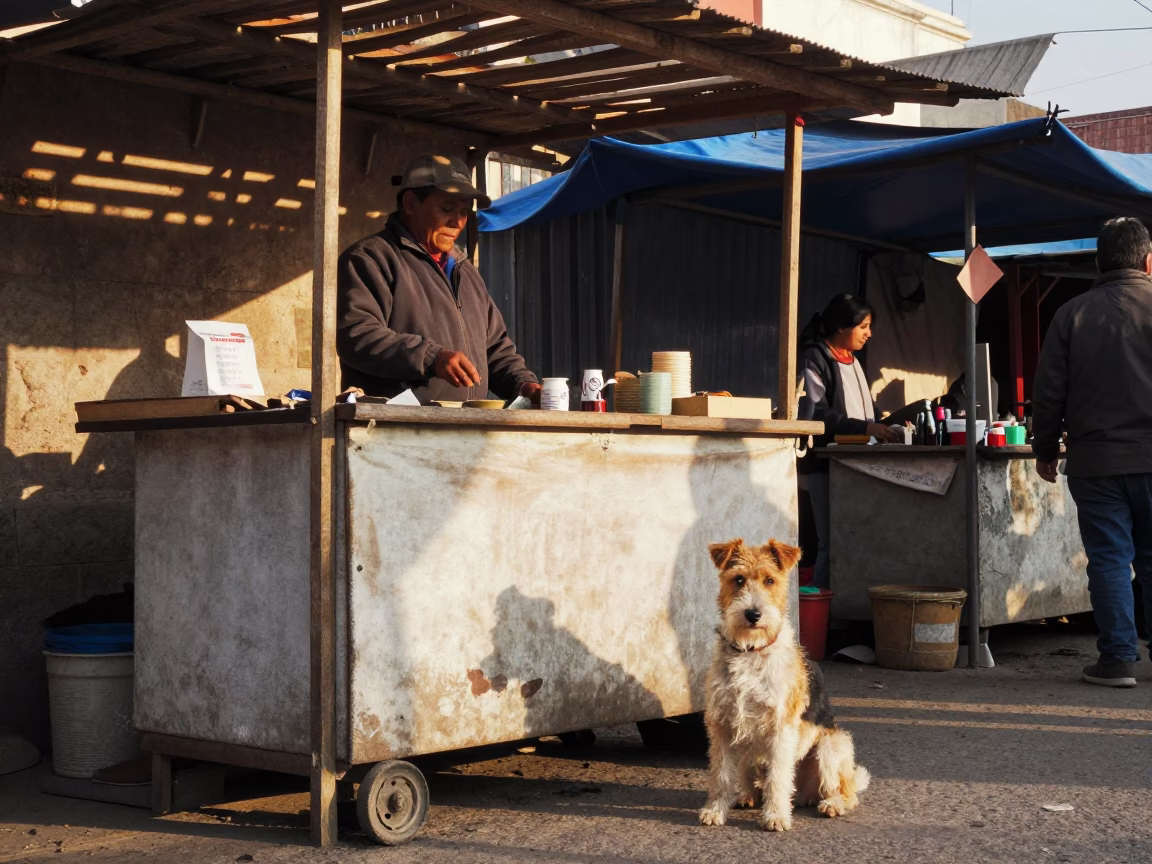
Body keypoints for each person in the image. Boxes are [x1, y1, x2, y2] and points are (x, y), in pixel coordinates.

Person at [1033, 217, 1152, 688]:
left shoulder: (1071, 313)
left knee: (1108, 559)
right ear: (1148, 261)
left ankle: (1119, 659)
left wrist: (1045, 448)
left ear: (1099, 262)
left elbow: (1049, 391)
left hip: (1097, 463)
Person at [337, 154, 541, 404]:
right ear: (411, 204)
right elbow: (357, 335)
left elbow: (496, 349)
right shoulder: (370, 259)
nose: (457, 222)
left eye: (464, 212)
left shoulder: (466, 271)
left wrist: (523, 385)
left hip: (463, 428)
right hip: (392, 428)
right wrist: (431, 357)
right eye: (446, 209)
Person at [797, 294, 900, 589]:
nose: (870, 333)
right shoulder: (815, 357)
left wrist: (884, 424)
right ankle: (825, 622)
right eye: (864, 326)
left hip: (855, 463)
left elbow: (865, 406)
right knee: (830, 545)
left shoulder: (852, 359)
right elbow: (816, 413)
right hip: (824, 466)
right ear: (843, 326)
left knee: (854, 541)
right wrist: (868, 428)